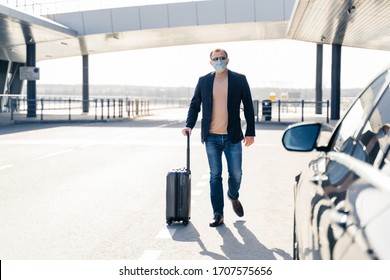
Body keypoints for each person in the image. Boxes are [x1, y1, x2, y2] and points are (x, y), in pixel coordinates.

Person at [181, 48, 256, 227]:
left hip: (233, 137)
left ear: (228, 60)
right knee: (215, 176)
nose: (219, 61)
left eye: (222, 58)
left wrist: (250, 132)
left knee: (236, 174)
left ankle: (233, 195)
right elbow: (194, 105)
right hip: (212, 137)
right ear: (211, 62)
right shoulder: (204, 81)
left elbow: (248, 106)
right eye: (216, 59)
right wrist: (189, 125)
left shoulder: (239, 79)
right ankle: (218, 214)